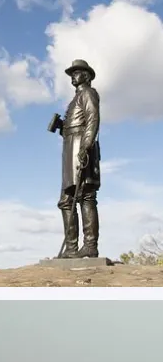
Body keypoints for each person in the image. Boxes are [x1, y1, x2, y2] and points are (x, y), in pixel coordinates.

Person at [54, 59, 101, 259]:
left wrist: (86, 146)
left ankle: (89, 245)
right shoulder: (76, 98)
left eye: (77, 72)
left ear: (87, 75)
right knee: (66, 200)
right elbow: (74, 126)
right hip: (70, 148)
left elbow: (92, 120)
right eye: (71, 73)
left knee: (86, 196)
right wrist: (61, 126)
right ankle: (71, 248)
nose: (73, 76)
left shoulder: (88, 93)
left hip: (81, 148)